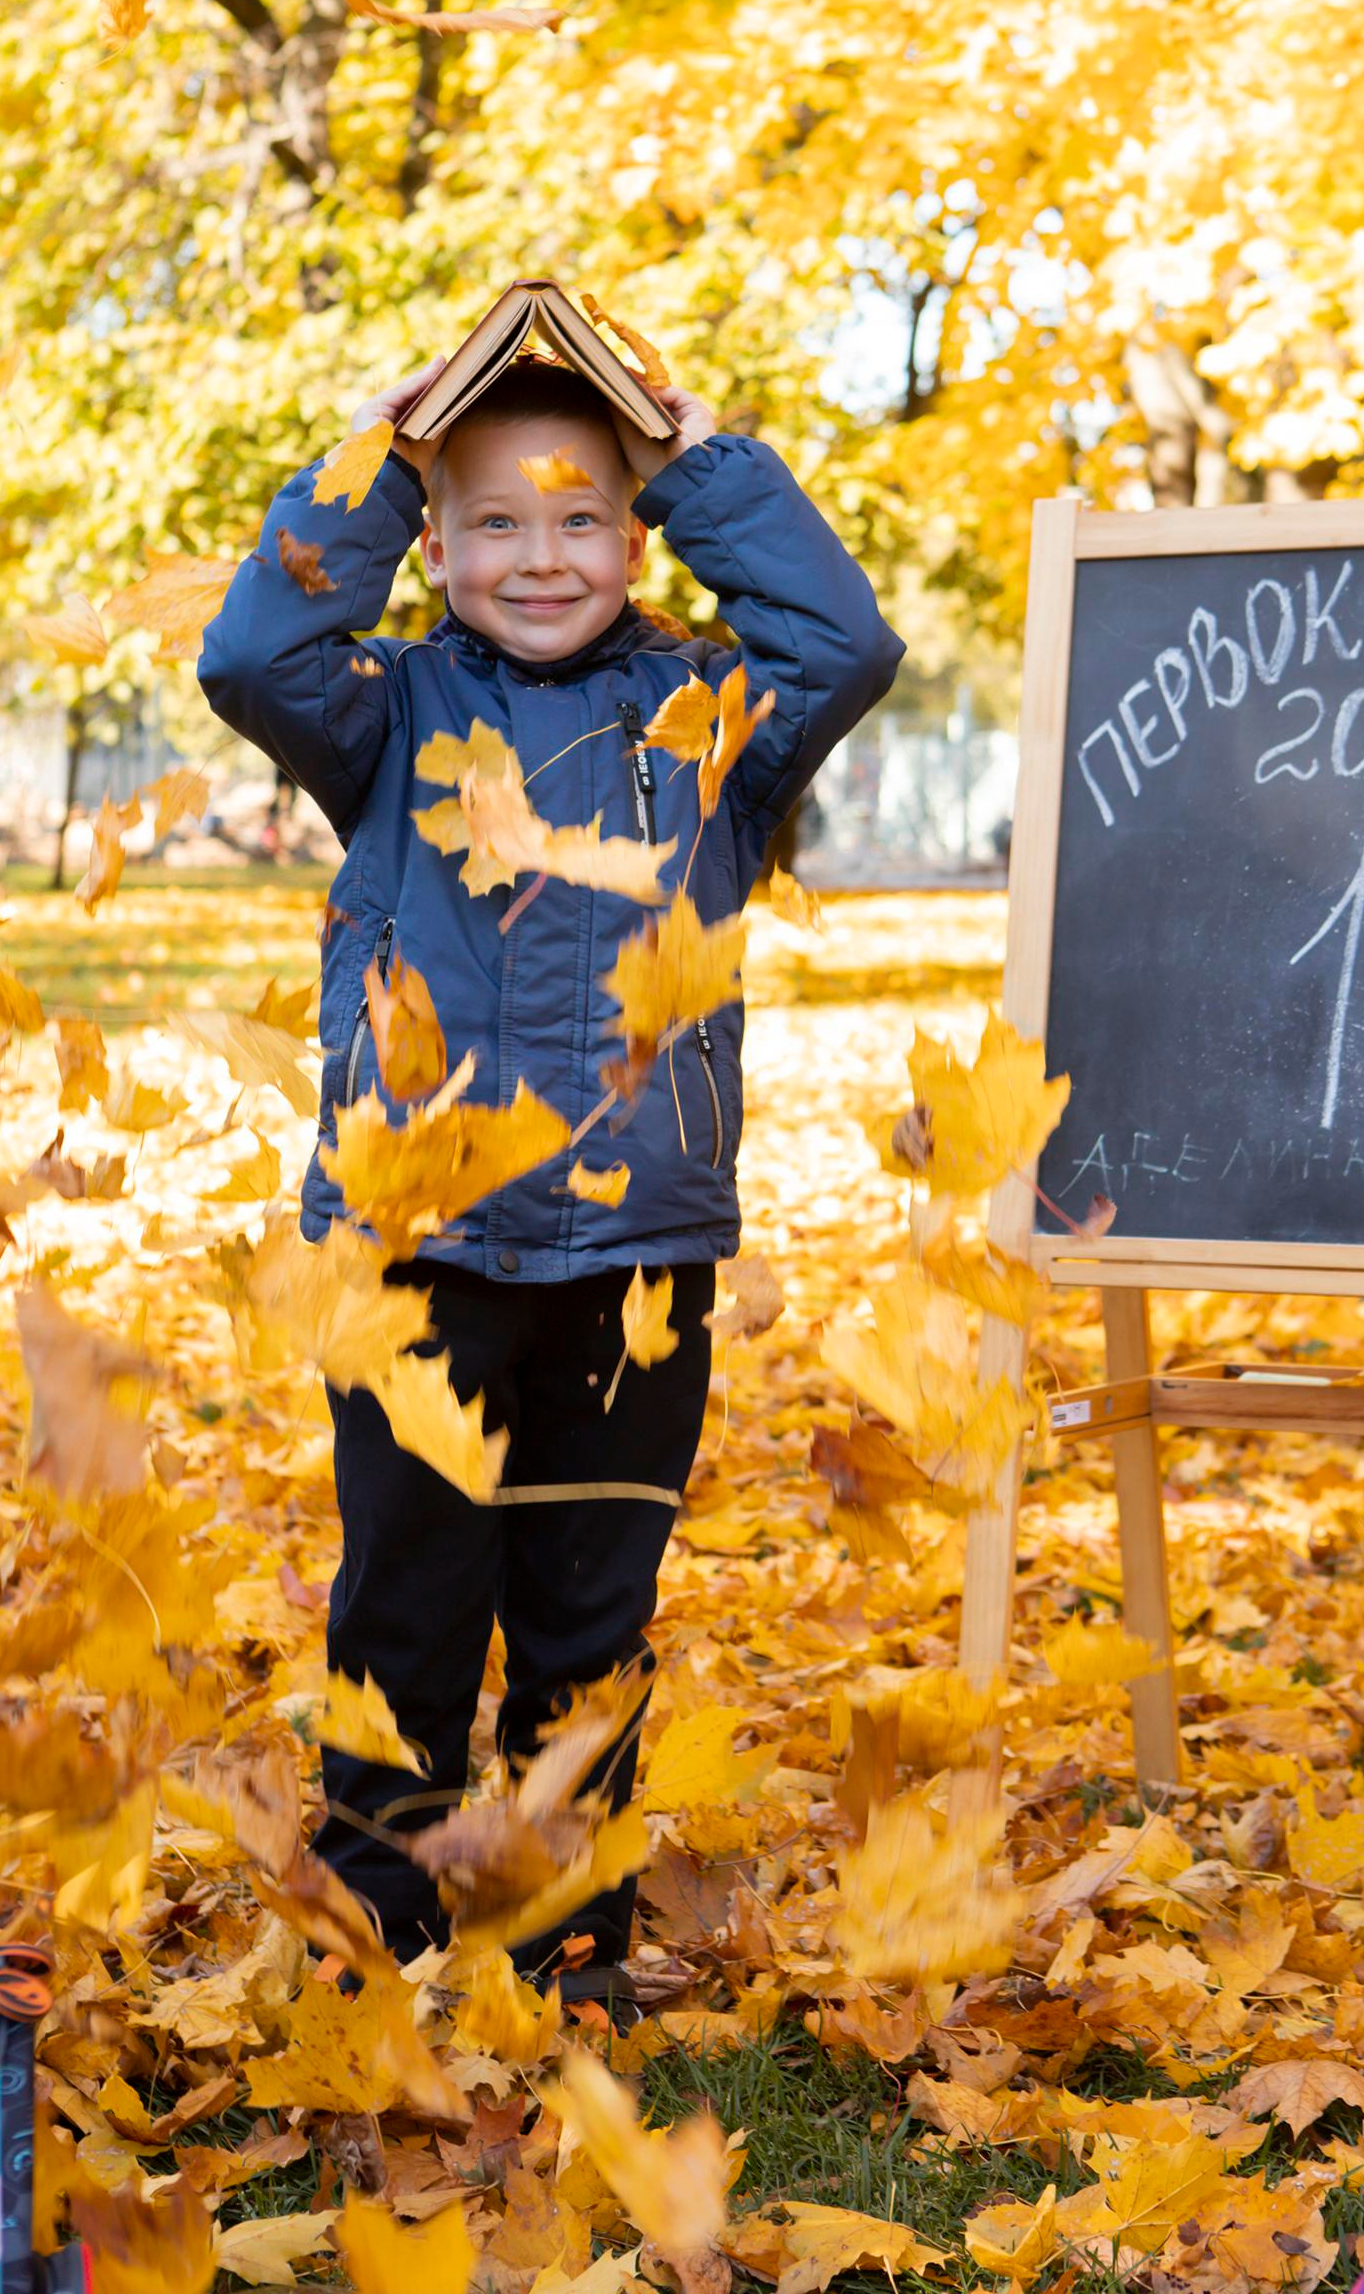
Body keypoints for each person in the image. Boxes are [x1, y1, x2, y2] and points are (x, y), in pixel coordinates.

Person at [197, 347, 903, 1991]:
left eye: (585, 519)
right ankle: (380, 1926)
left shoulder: (713, 717)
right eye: (492, 521)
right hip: (411, 1246)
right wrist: (380, 448)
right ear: (432, 548)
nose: (539, 556)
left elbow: (847, 640)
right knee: (407, 1610)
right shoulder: (386, 715)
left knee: (590, 1618)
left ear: (642, 535)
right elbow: (254, 651)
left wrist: (699, 451)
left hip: (634, 1260)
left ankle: (569, 1939)